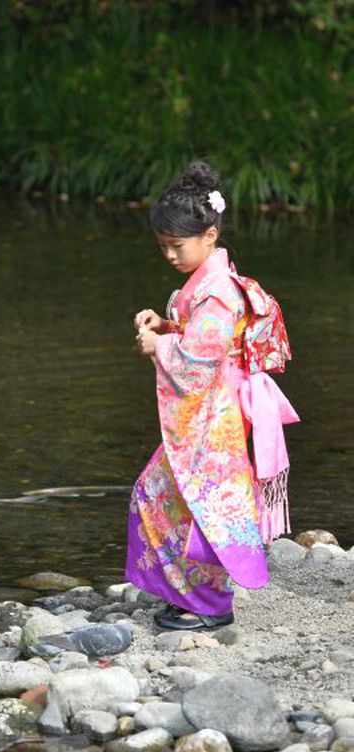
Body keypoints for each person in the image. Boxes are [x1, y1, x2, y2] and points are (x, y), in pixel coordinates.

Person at [126, 161, 298, 631]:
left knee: (202, 507)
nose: (169, 256)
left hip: (215, 417)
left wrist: (157, 345)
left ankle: (212, 605)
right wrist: (166, 326)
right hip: (209, 414)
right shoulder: (208, 286)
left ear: (210, 235)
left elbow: (200, 360)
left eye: (176, 246)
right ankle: (189, 596)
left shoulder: (219, 292)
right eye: (162, 247)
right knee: (160, 494)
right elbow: (198, 339)